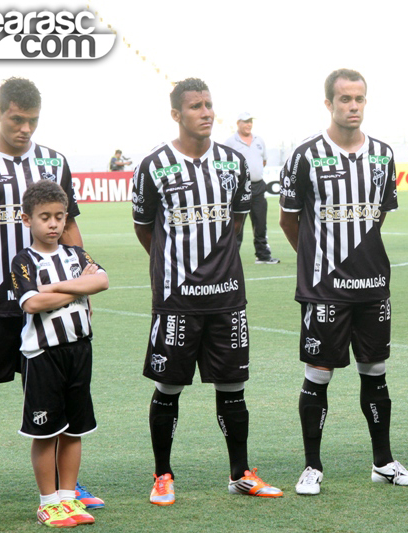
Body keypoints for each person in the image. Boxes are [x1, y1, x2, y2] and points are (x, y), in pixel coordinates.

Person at [0, 77, 103, 521]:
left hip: (52, 305)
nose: (25, 129)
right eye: (17, 120)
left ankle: (64, 488)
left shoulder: (54, 162)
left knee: (58, 395)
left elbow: (70, 225)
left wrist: (82, 282)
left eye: (33, 121)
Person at [132, 78, 282, 505]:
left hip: (226, 296)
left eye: (209, 104)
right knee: (168, 387)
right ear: (176, 114)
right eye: (196, 106)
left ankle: (240, 473)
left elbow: (236, 223)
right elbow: (145, 229)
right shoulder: (153, 165)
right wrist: (177, 268)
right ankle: (163, 475)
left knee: (233, 386)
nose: (206, 112)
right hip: (176, 299)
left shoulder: (233, 163)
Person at [280, 68, 408, 495]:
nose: (353, 106)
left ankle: (383, 463)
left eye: (359, 98)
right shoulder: (305, 156)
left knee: (375, 372)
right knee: (318, 374)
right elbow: (289, 219)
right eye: (345, 99)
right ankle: (312, 467)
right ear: (329, 104)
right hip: (324, 288)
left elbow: (377, 217)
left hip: (373, 284)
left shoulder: (382, 155)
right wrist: (319, 260)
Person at [11, 180, 109, 526]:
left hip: (79, 351)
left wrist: (53, 287)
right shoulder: (24, 261)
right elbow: (32, 303)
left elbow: (101, 281)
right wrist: (77, 288)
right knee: (46, 431)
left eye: (59, 217)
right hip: (43, 355)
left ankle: (68, 499)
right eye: (44, 217)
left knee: (74, 429)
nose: (53, 224)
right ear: (27, 219)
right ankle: (48, 502)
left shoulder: (76, 254)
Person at [223, 112, 279, 264]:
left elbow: (263, 161)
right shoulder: (230, 142)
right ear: (238, 123)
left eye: (250, 122)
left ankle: (263, 255)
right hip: (239, 188)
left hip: (258, 186)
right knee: (237, 224)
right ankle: (231, 258)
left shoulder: (259, 140)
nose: (249, 124)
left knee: (260, 223)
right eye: (245, 121)